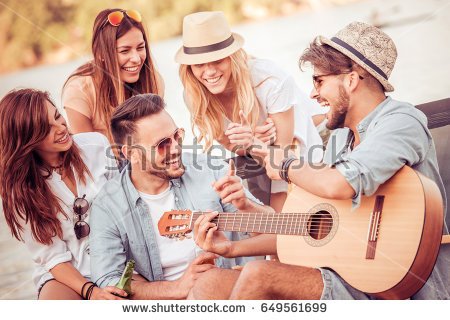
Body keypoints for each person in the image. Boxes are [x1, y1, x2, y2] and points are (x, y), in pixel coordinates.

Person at [191, 21, 450, 300]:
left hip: (398, 287)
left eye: (319, 81)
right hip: (344, 275)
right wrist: (232, 246)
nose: (313, 94)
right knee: (210, 283)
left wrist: (287, 165)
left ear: (350, 80)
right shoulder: (339, 138)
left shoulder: (401, 121)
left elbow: (342, 184)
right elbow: (302, 227)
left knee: (258, 274)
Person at [89, 93, 275, 299]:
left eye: (177, 135)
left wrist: (245, 205)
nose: (176, 148)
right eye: (162, 144)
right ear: (131, 153)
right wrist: (177, 287)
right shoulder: (108, 205)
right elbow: (109, 277)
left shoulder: (208, 168)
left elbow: (273, 236)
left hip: (231, 291)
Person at [176, 11, 324, 212]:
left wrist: (256, 143)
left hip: (304, 139)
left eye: (218, 60)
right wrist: (251, 141)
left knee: (288, 212)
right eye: (199, 64)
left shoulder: (268, 79)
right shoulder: (194, 96)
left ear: (232, 57)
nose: (209, 72)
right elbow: (234, 147)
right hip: (261, 156)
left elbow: (283, 155)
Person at [0, 89, 126, 300]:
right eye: (46, 129)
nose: (61, 128)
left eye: (57, 116)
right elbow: (52, 257)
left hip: (116, 257)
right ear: (26, 139)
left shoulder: (96, 145)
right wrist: (91, 292)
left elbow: (124, 208)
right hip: (65, 274)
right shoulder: (19, 190)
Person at [62, 8, 164, 142]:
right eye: (124, 51)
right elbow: (89, 155)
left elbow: (157, 138)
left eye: (140, 48)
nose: (136, 59)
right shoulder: (79, 91)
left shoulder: (153, 80)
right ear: (100, 53)